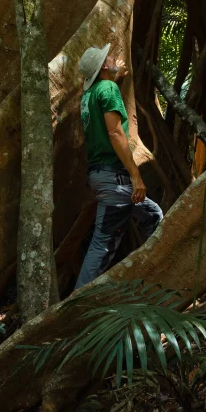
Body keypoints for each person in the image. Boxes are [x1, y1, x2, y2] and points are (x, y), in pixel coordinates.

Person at [75, 44, 163, 289]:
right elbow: (114, 132)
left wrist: (118, 79)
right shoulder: (108, 88)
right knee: (101, 245)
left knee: (153, 215)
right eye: (109, 57)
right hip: (116, 179)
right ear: (104, 66)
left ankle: (154, 273)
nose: (114, 58)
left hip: (99, 175)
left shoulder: (89, 95)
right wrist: (135, 175)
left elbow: (105, 120)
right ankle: (77, 306)